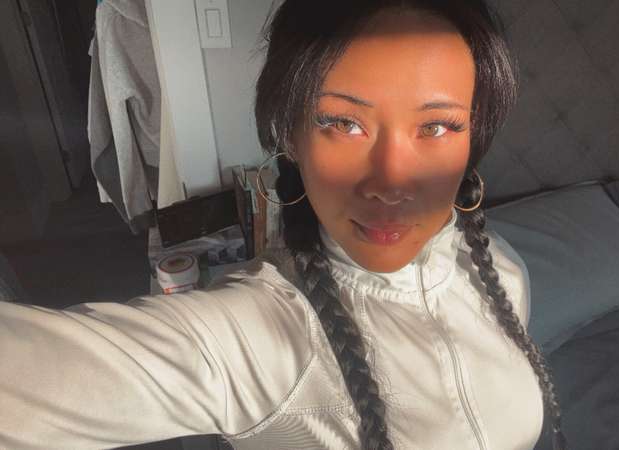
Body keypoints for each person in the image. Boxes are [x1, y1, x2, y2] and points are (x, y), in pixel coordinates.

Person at [0, 0, 567, 449]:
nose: (391, 181)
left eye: (437, 127)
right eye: (343, 123)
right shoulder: (259, 337)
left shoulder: (500, 270)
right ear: (290, 135)